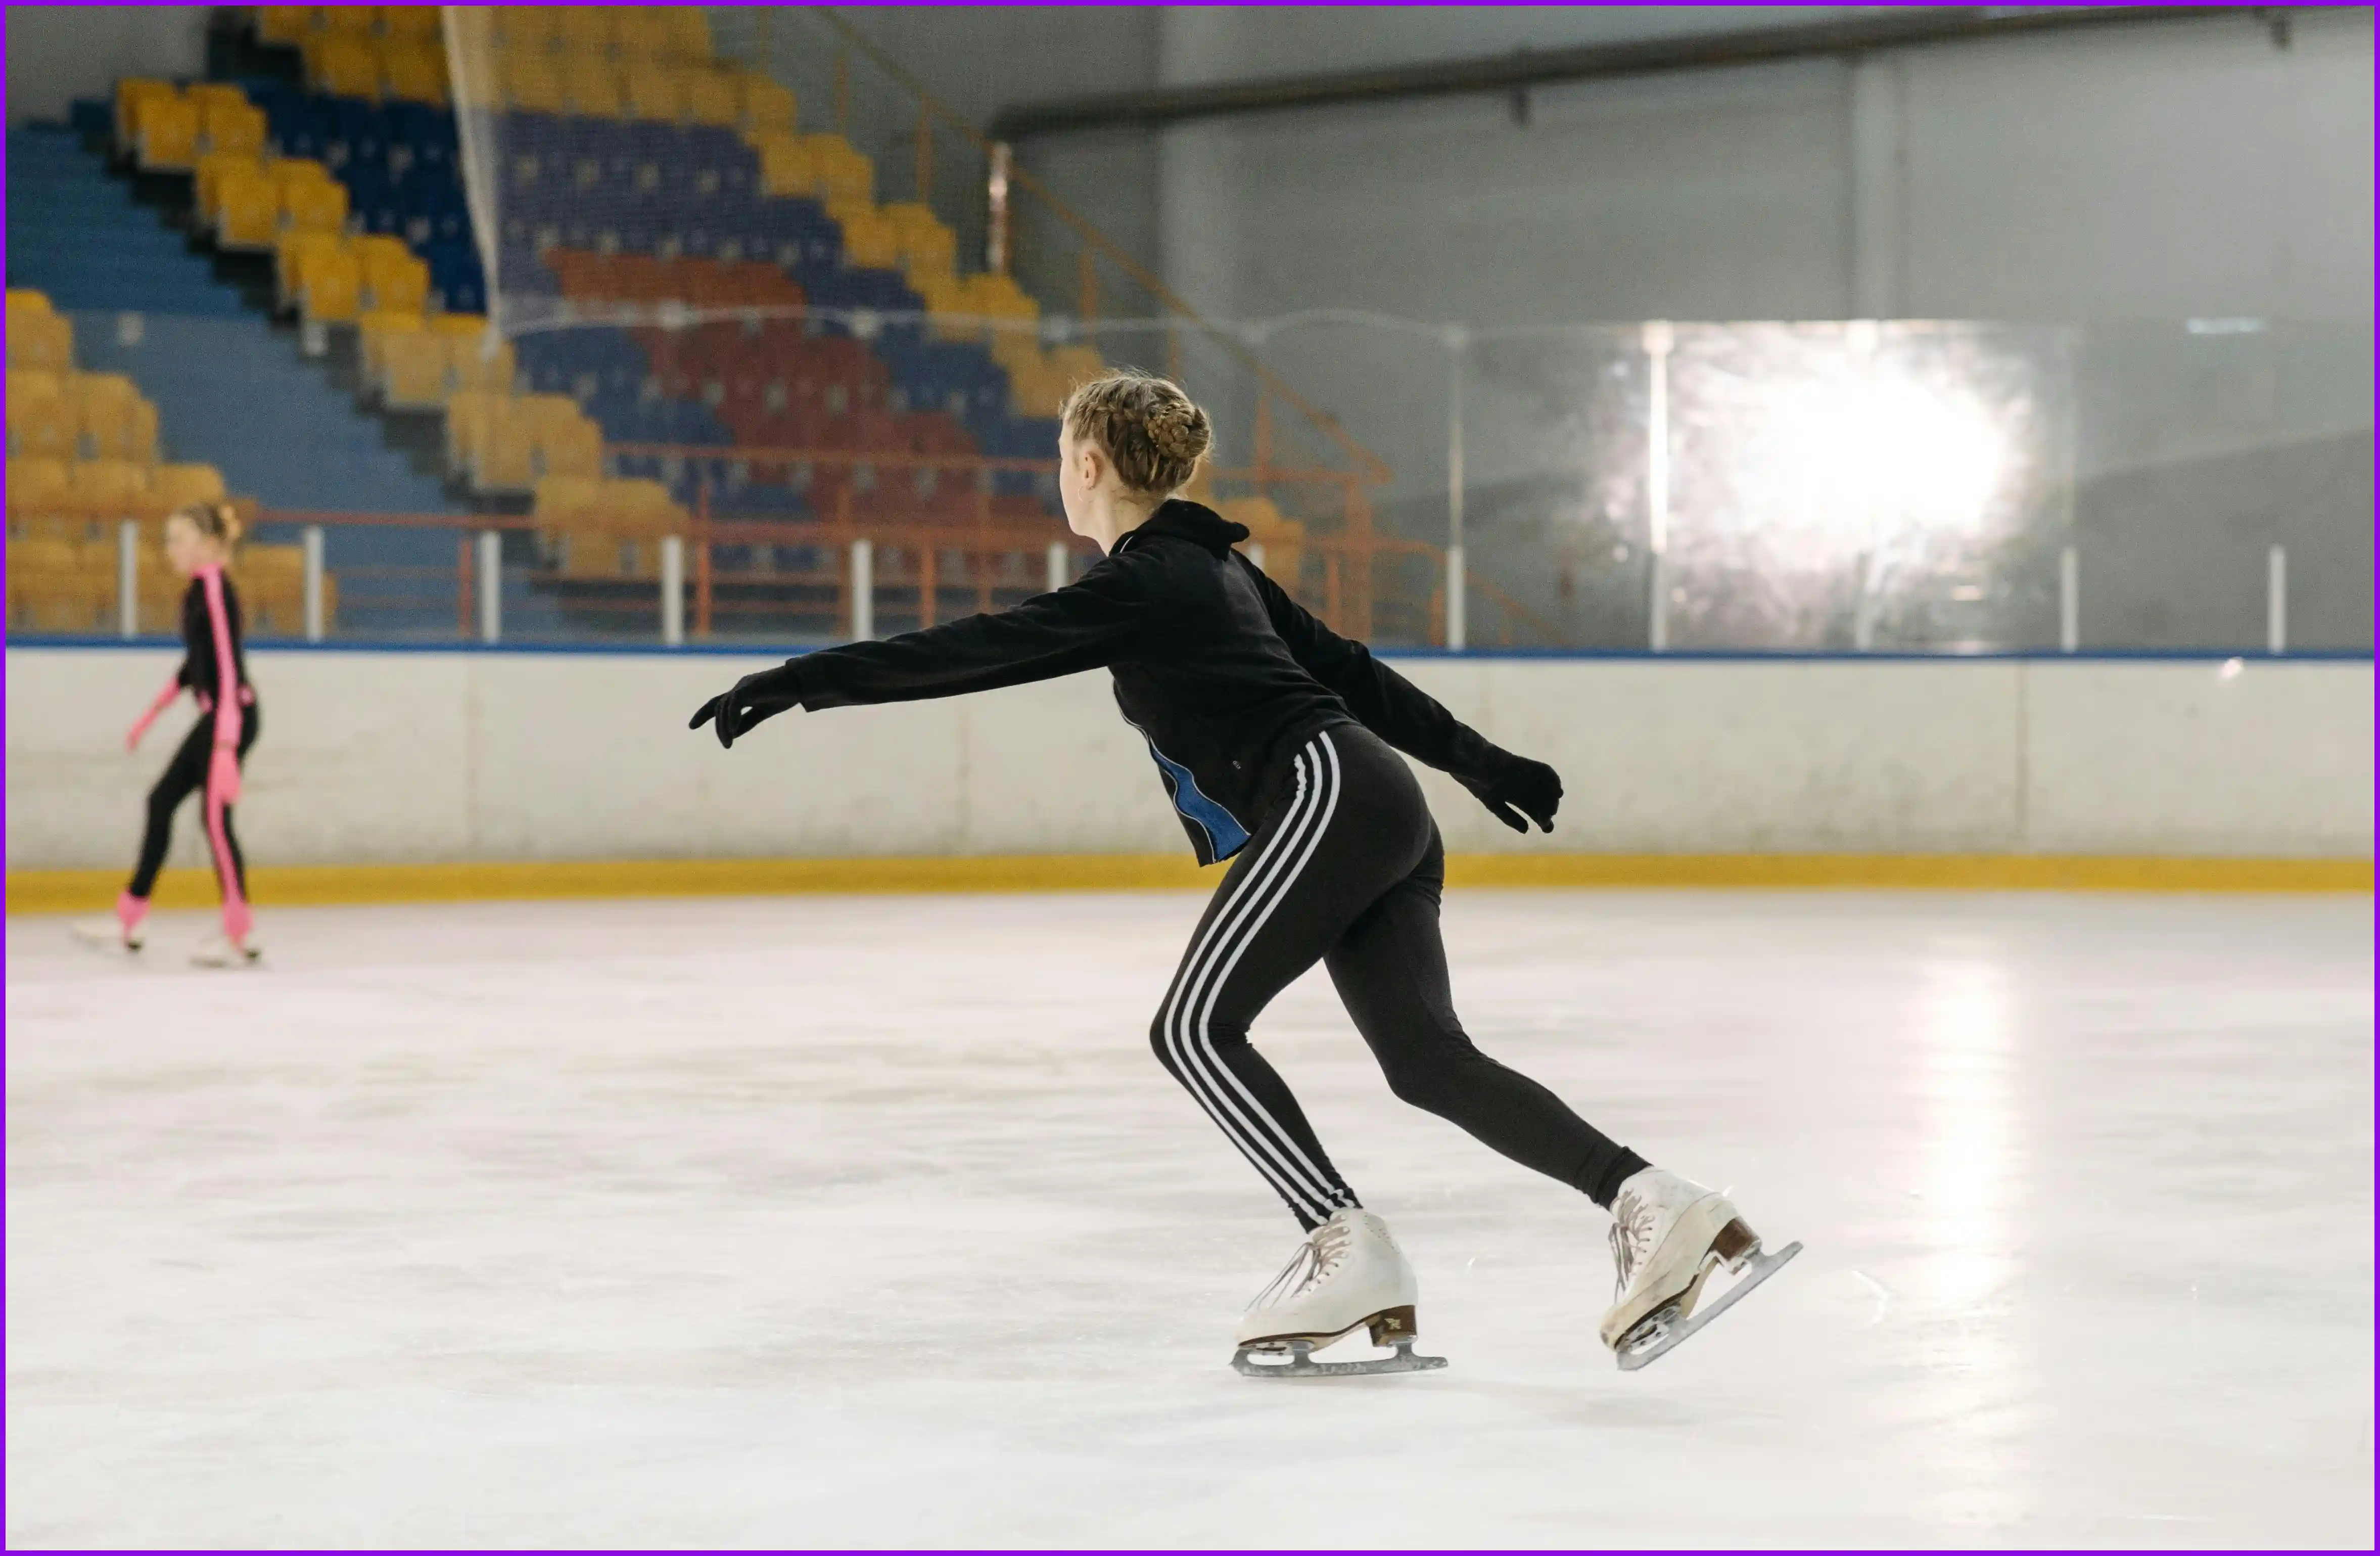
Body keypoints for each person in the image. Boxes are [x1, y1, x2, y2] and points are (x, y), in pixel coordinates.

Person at [690, 372, 1792, 1374]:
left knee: (1192, 1028)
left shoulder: (1154, 579)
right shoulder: (1214, 569)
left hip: (1324, 797)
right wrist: (1471, 762)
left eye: (1059, 459)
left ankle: (1342, 1244)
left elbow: (985, 645)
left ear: (1086, 465)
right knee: (1424, 1061)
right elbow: (1350, 672)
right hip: (1376, 805)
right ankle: (1654, 1200)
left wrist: (803, 678)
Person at [72, 500, 262, 969]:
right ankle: (130, 919)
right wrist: (151, 715)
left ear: (208, 546)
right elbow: (196, 664)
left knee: (215, 821)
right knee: (161, 803)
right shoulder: (199, 591)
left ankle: (239, 931)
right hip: (219, 717)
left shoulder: (215, 589)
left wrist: (223, 747)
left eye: (178, 540)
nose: (169, 549)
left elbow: (228, 664)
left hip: (229, 718)